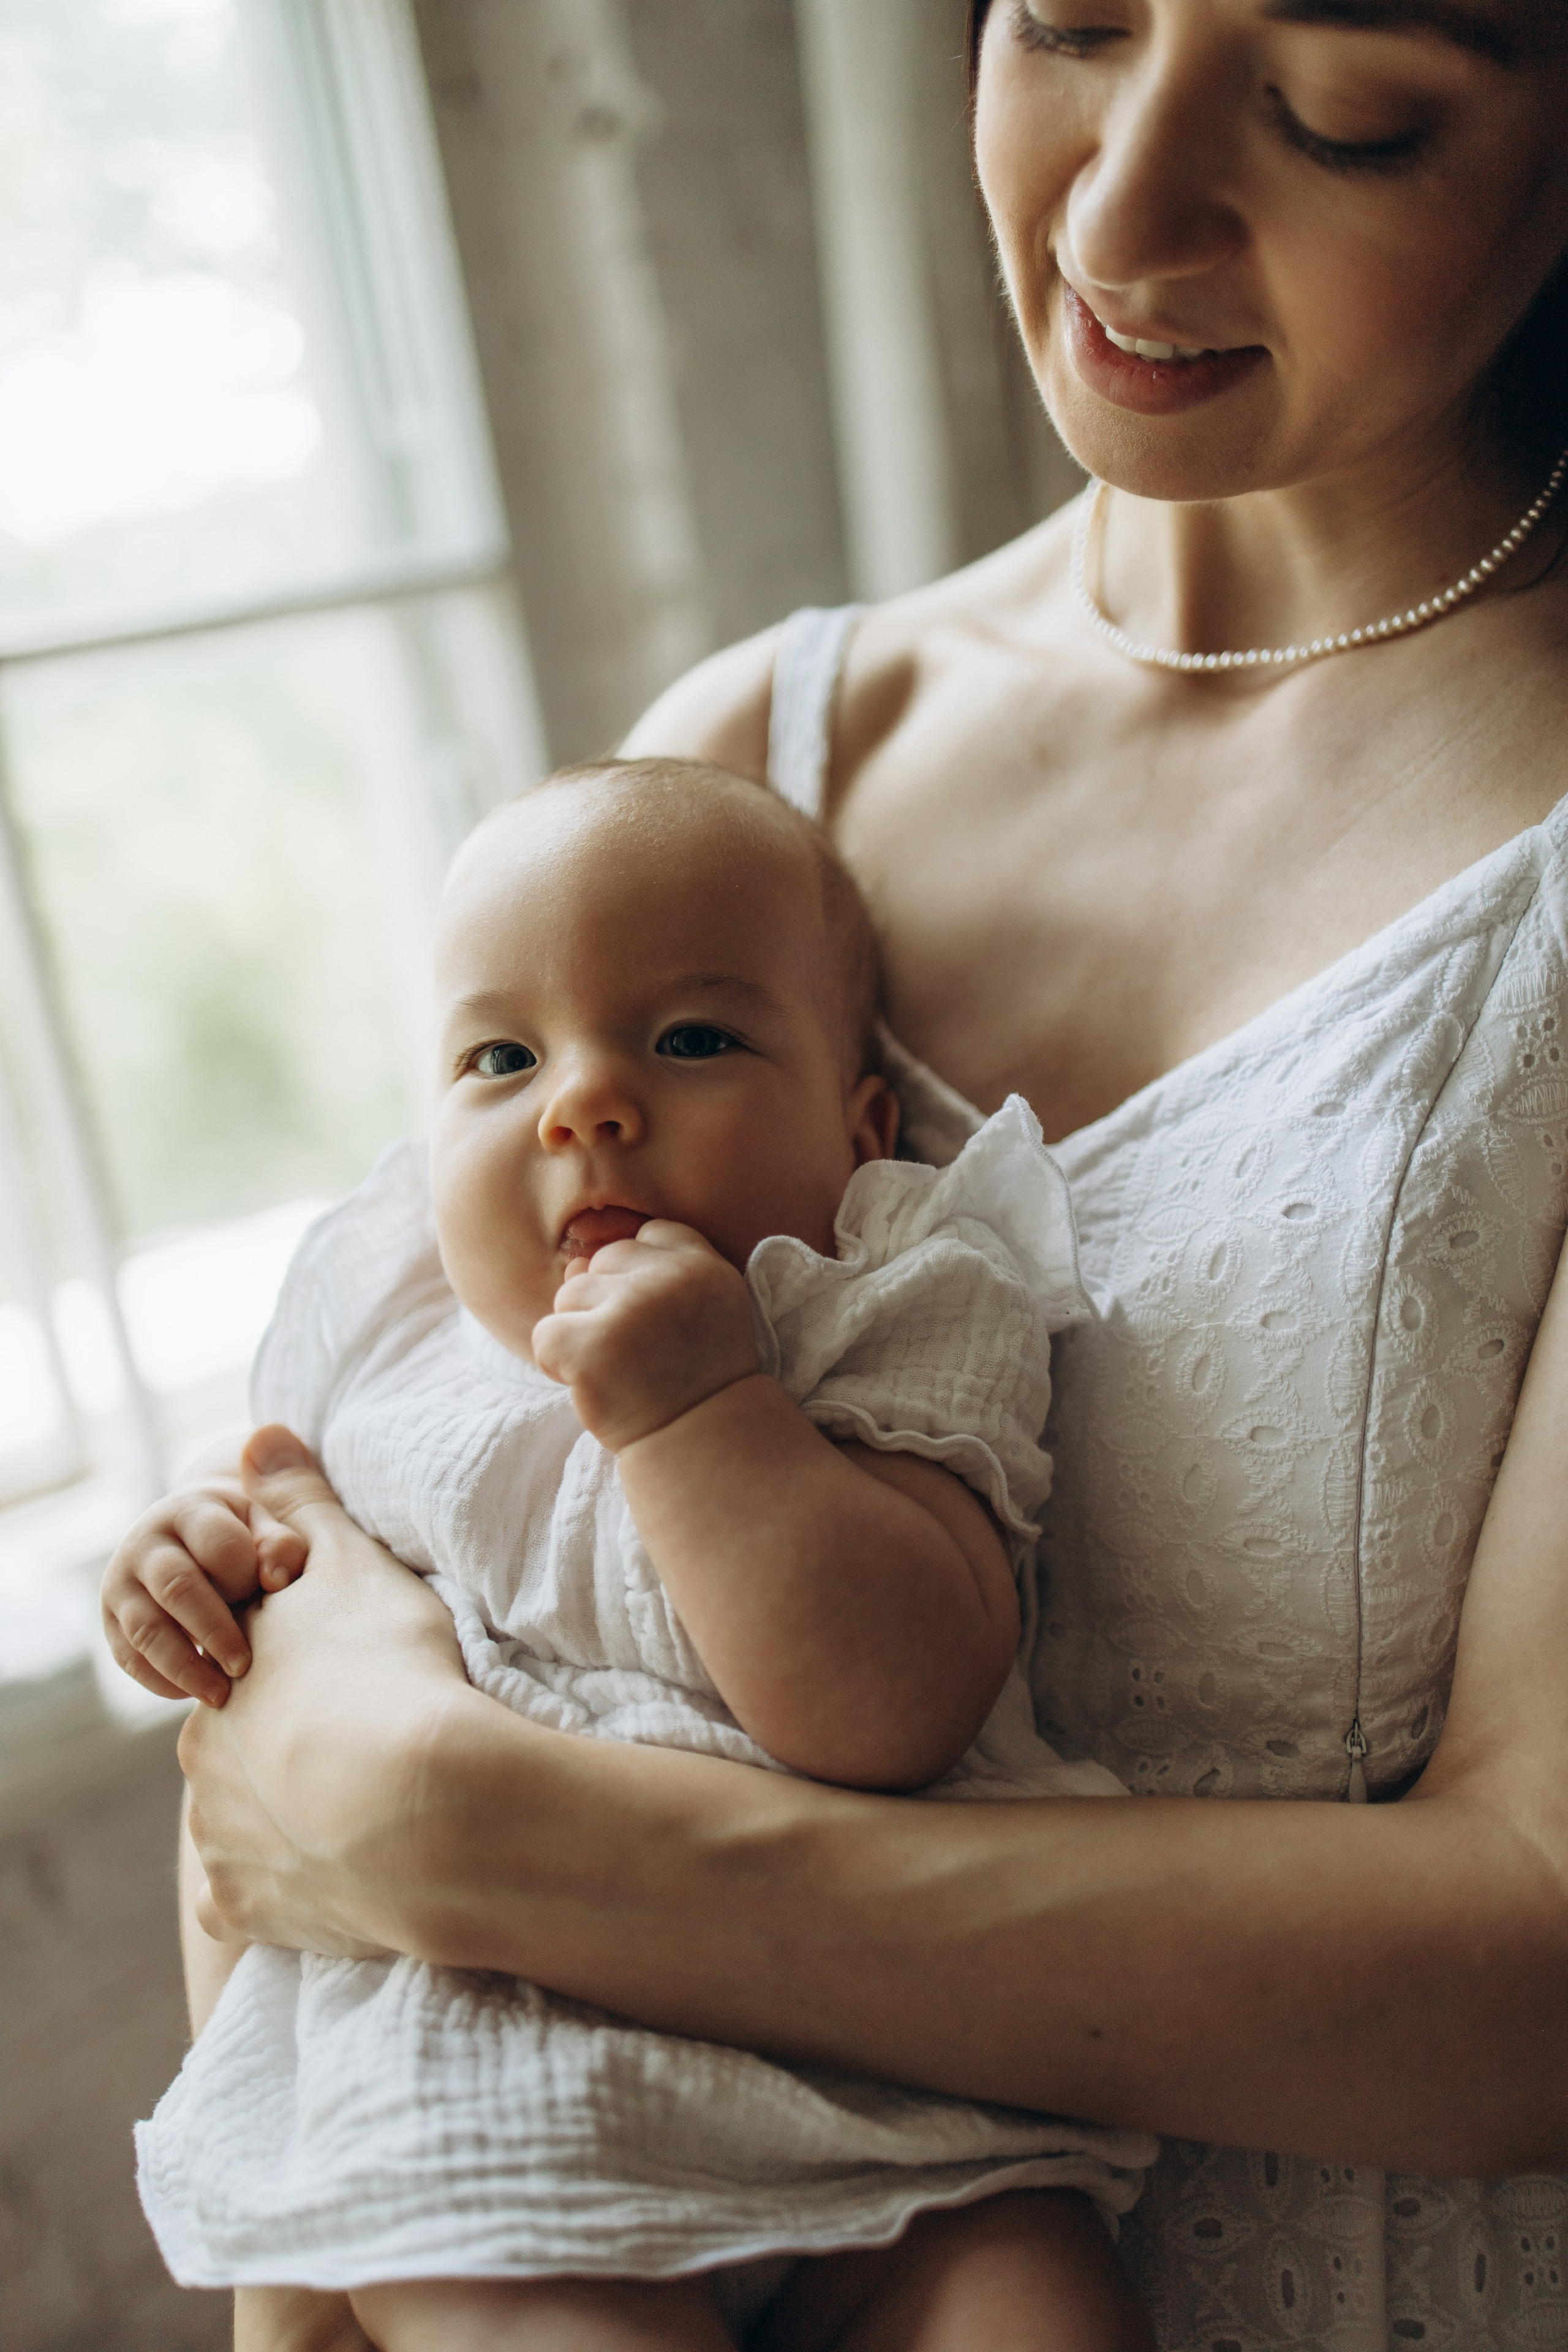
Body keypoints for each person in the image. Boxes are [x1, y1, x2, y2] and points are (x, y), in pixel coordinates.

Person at [139, 2, 1568, 2344]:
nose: (1115, 213)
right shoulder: (752, 772)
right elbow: (364, 1579)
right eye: (1071, 21)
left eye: (1346, 115)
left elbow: (1534, 1974)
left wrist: (465, 1839)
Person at [109, 761, 1157, 2351]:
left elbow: (893, 1705)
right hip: (493, 2083)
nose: (581, 1103)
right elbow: (264, 1486)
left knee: (1036, 2306)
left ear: (858, 1127)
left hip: (889, 2072)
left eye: (692, 1041)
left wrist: (709, 1417)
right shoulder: (394, 1316)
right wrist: (191, 1539)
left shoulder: (883, 1306)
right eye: (501, 1057)